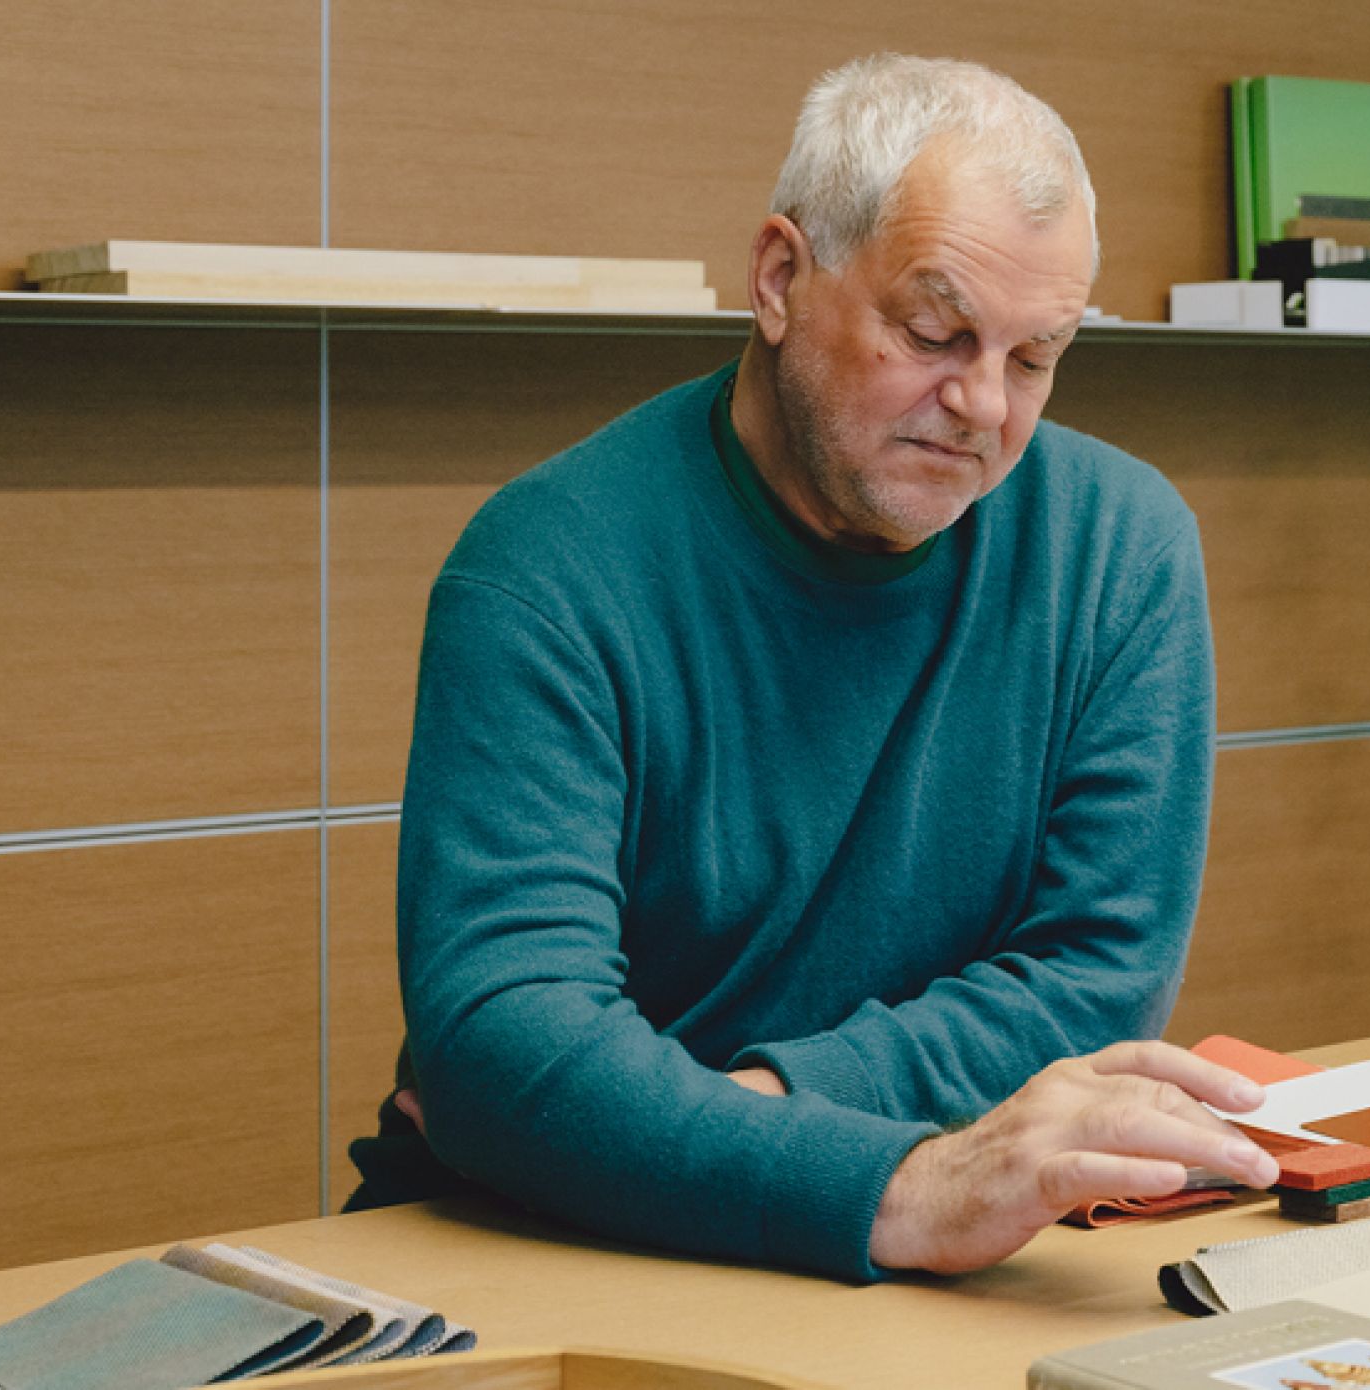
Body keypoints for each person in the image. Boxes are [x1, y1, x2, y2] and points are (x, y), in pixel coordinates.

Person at [349, 52, 1278, 1282]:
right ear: (780, 277)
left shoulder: (1122, 547)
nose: (985, 407)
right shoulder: (543, 569)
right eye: (936, 332)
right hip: (533, 1237)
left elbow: (1096, 978)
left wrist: (752, 1104)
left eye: (1037, 356)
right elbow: (506, 1046)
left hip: (892, 1235)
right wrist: (895, 1182)